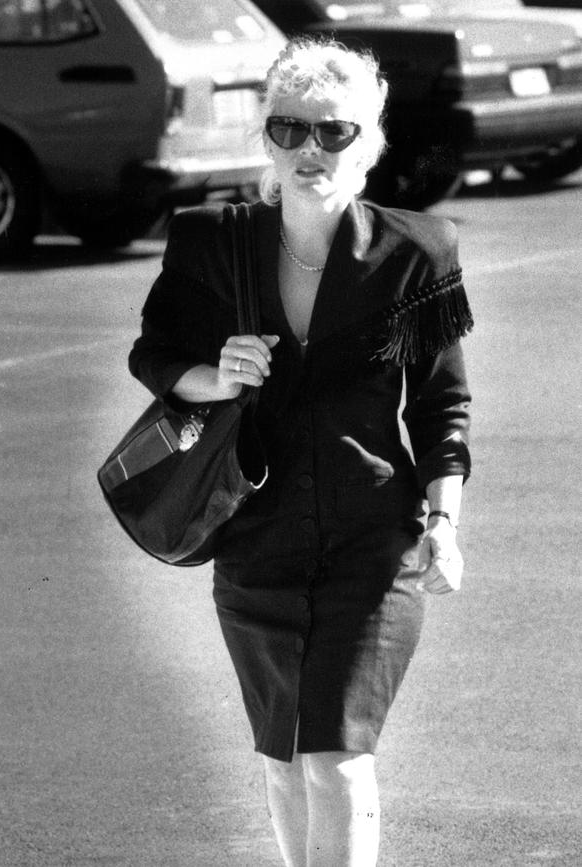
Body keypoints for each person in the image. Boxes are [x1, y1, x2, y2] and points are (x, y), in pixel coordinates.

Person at [129, 37, 473, 867]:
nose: (310, 150)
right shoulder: (212, 241)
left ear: (371, 140)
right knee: (283, 754)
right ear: (268, 140)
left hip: (372, 540)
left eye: (334, 131)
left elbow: (441, 405)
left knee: (339, 753)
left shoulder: (418, 252)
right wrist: (215, 375)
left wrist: (444, 520)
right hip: (257, 538)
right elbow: (154, 353)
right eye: (291, 129)